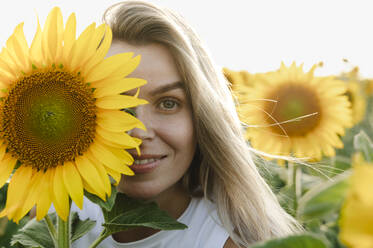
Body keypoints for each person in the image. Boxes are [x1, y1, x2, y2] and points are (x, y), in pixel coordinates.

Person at [72, 1, 301, 247]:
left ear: (202, 118)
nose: (139, 131)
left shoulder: (226, 241)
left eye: (168, 103)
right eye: (117, 105)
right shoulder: (60, 214)